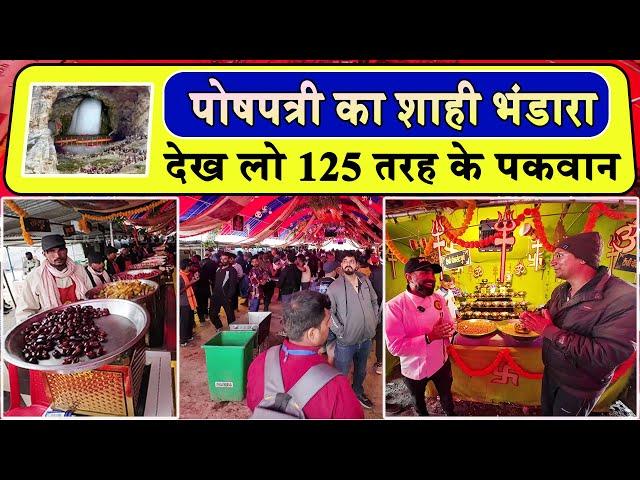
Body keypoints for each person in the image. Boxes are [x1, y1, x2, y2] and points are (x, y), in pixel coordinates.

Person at [520, 232, 636, 416]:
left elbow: (605, 356)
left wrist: (548, 330)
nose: (552, 262)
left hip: (579, 388)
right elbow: (549, 312)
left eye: (559, 255)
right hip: (552, 374)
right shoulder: (561, 291)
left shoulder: (624, 297)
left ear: (582, 259)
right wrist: (533, 316)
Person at [246, 290, 364, 419]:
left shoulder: (260, 362)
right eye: (327, 322)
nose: (330, 325)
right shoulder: (335, 385)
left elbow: (253, 405)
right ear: (312, 334)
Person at [385, 258, 456, 416]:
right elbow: (395, 347)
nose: (431, 277)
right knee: (418, 402)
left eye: (432, 272)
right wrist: (430, 336)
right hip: (414, 370)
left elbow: (450, 323)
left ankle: (450, 414)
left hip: (441, 361)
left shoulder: (438, 298)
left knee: (446, 395)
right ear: (409, 277)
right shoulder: (394, 307)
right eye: (425, 272)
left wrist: (449, 330)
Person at [326, 252, 379, 409]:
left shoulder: (365, 281)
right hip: (346, 341)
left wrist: (373, 320)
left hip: (366, 338)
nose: (348, 263)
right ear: (341, 266)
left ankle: (357, 392)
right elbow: (329, 312)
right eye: (345, 261)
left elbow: (375, 301)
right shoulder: (334, 287)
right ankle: (339, 398)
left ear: (357, 265)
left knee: (361, 371)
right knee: (341, 372)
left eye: (351, 261)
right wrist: (340, 331)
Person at [15, 235, 93, 323]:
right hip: (53, 327)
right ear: (44, 254)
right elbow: (24, 312)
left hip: (83, 320)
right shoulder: (34, 277)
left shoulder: (79, 269)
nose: (57, 255)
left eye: (61, 250)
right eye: (52, 251)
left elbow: (90, 295)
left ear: (66, 251)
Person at [209, 251, 238, 329]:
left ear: (229, 259)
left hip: (226, 297)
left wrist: (229, 297)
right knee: (212, 314)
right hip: (216, 296)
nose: (222, 260)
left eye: (225, 259)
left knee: (230, 315)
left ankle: (232, 330)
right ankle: (219, 327)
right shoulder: (218, 269)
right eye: (221, 259)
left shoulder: (232, 270)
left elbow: (233, 286)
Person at [368, 254, 384, 375]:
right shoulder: (377, 273)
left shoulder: (375, 273)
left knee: (379, 333)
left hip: (380, 308)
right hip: (384, 307)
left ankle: (380, 362)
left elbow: (370, 292)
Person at [179, 259, 199, 346]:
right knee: (184, 321)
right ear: (186, 267)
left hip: (189, 301)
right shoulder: (180, 277)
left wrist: (194, 279)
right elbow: (179, 291)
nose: (190, 268)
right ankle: (183, 340)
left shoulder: (186, 274)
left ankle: (189, 335)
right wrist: (190, 284)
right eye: (189, 267)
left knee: (190, 319)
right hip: (184, 303)